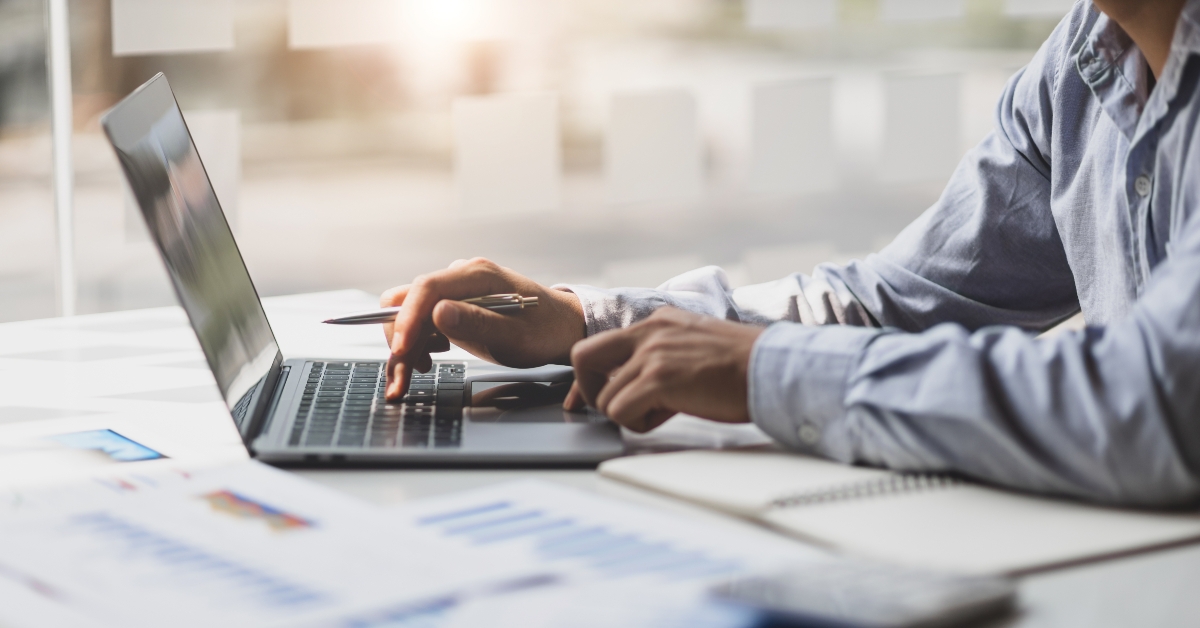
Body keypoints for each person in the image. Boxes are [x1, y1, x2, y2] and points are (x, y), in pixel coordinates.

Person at [381, 0, 1200, 508]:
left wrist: (762, 371)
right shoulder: (1082, 63)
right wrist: (588, 321)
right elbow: (891, 304)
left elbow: (1154, 407)